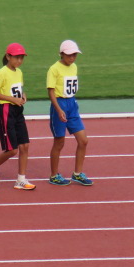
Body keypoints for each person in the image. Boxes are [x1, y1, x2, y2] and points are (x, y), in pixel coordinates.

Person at [0, 43, 36, 190]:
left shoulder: (18, 72)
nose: (19, 61)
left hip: (18, 110)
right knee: (12, 149)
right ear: (8, 56)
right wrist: (12, 99)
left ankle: (21, 179)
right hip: (6, 110)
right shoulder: (2, 73)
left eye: (21, 58)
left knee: (25, 145)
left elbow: (18, 88)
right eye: (16, 57)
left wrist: (23, 95)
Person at [47, 41, 92, 186]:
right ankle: (54, 176)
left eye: (74, 55)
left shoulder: (74, 67)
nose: (72, 57)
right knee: (59, 142)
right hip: (59, 104)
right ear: (61, 54)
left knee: (83, 140)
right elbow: (51, 91)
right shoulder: (54, 69)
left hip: (72, 104)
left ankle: (77, 174)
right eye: (69, 55)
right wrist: (59, 109)